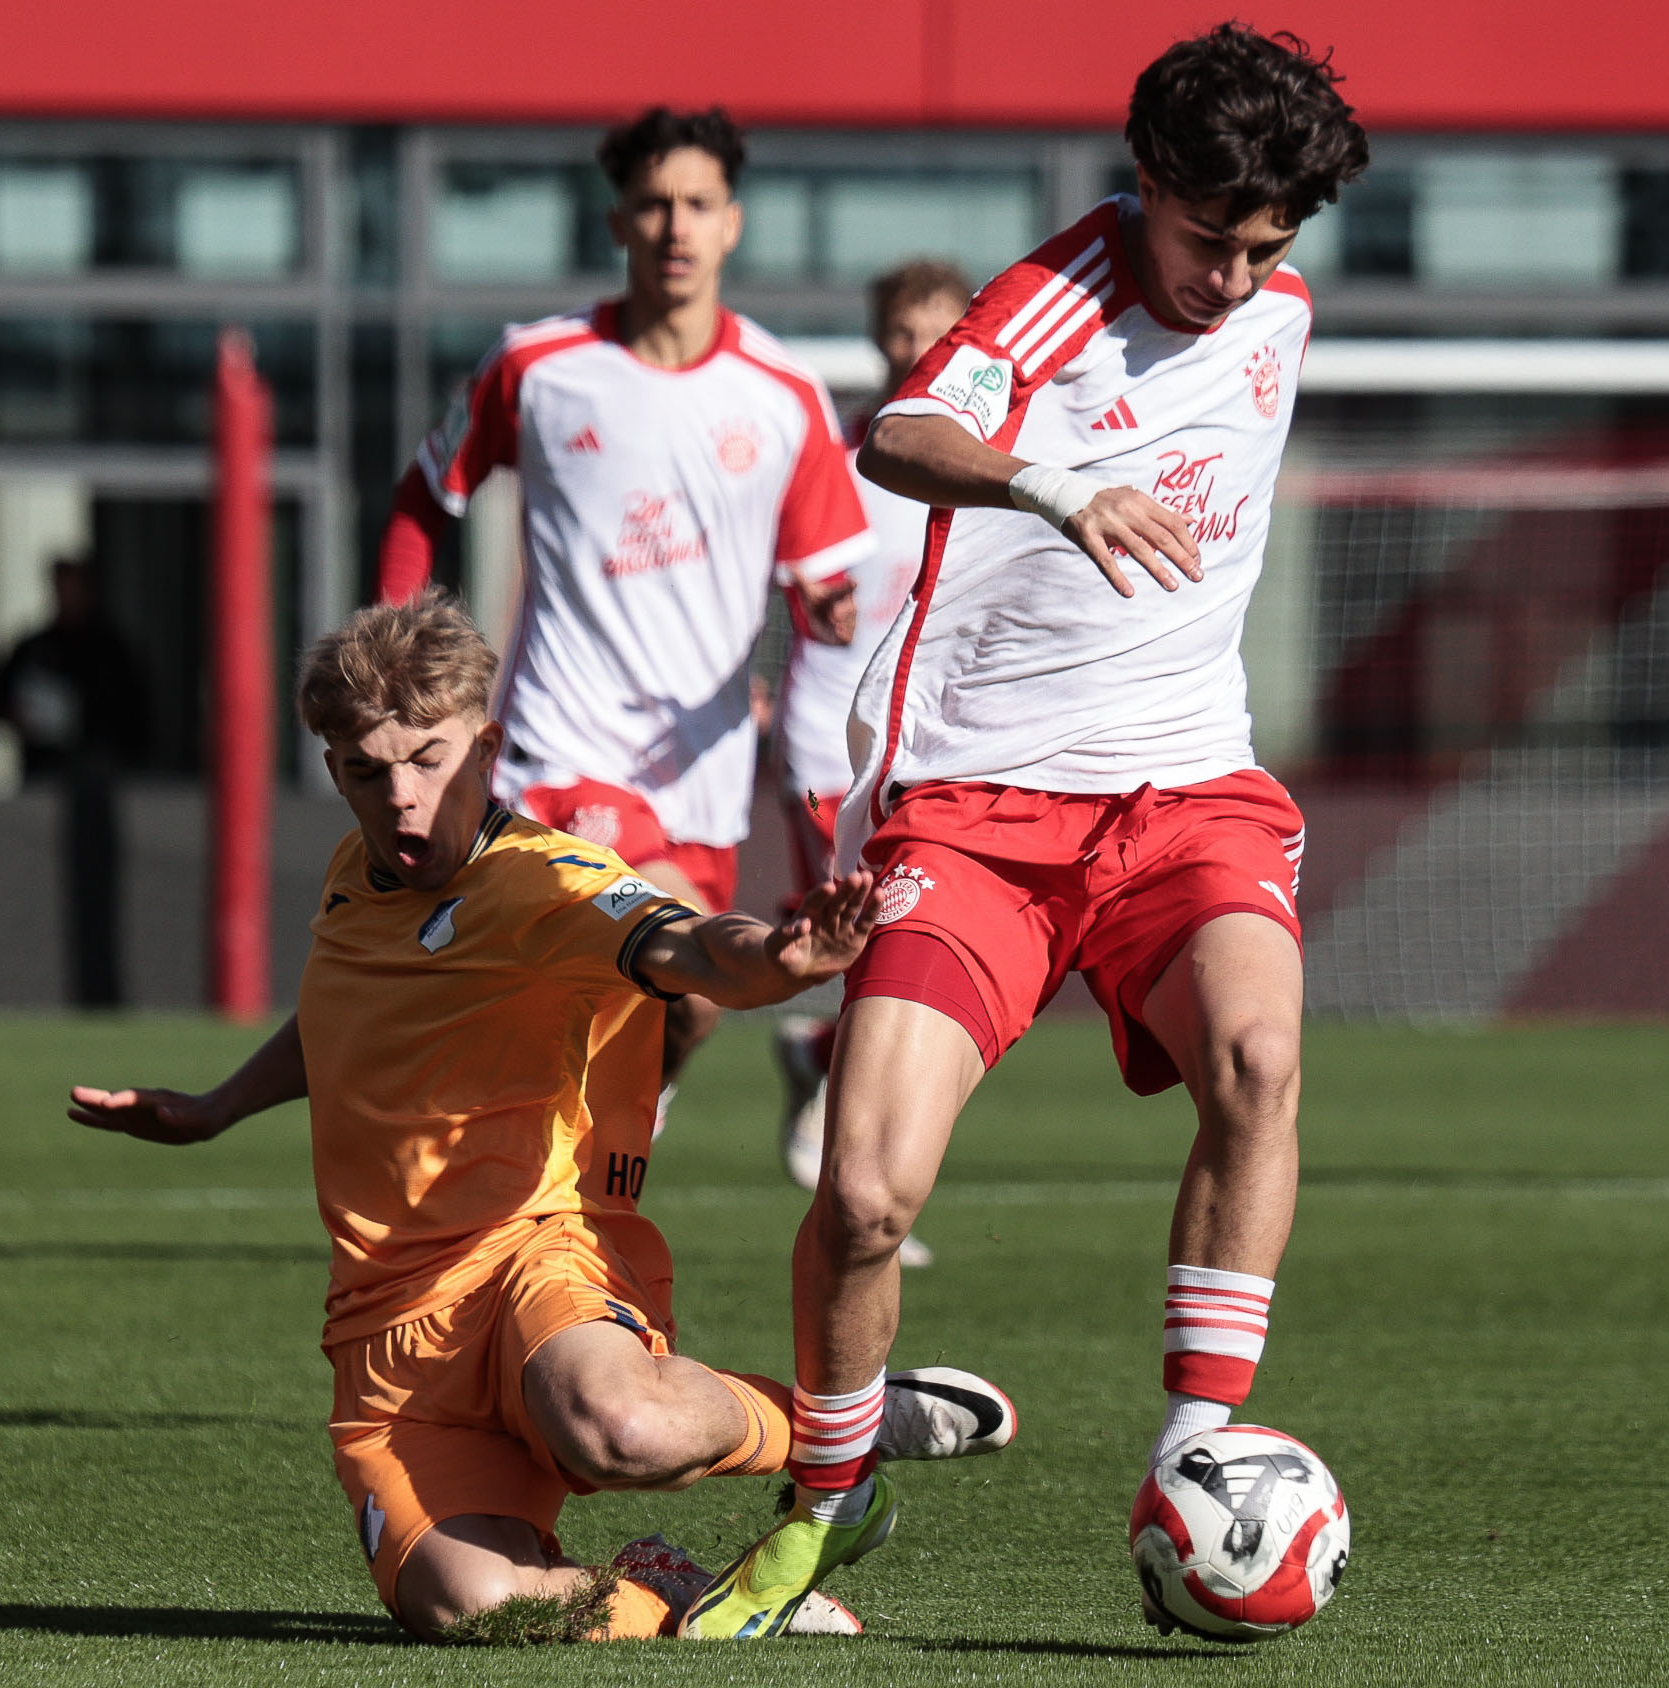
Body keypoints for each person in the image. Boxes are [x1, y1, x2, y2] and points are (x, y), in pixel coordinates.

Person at [683, 25, 1366, 1636]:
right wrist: (1058, 490)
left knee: (1261, 1066)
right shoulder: (1055, 296)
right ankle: (828, 1509)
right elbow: (899, 435)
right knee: (862, 1202)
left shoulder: (1281, 310)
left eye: (1269, 248)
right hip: (978, 812)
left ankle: (1195, 1450)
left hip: (1186, 789)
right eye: (1212, 239)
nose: (1237, 277)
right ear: (1146, 190)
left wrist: (1254, 278)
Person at [66, 598, 1011, 1642]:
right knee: (476, 1606)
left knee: (621, 1424)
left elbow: (689, 947)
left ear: (488, 743)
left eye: (428, 760)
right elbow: (345, 1020)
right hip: (388, 1342)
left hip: (535, 1259)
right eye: (369, 772)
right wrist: (214, 1108)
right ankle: (673, 1590)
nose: (403, 800)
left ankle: (837, 1428)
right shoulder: (356, 878)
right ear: (335, 772)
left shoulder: (540, 881)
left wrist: (781, 958)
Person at [376, 105, 870, 1129]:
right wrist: (392, 659)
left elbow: (825, 587)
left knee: (681, 1014)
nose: (675, 227)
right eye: (653, 204)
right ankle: (537, 1221)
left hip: (698, 774)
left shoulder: (785, 396)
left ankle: (584, 1167)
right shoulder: (539, 367)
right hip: (553, 749)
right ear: (617, 221)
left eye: (698, 204)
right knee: (594, 990)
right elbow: (426, 495)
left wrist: (825, 614)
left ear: (733, 223)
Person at [768, 261, 971, 1272]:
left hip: (930, 747)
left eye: (934, 332)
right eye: (898, 331)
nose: (913, 350)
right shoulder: (834, 460)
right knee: (882, 939)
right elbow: (768, 581)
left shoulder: (973, 467)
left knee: (906, 942)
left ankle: (816, 1063)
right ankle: (843, 1163)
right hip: (825, 741)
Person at [0, 556, 151, 1009]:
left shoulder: (111, 650)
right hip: (41, 788)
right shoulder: (34, 646)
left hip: (99, 792)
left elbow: (138, 721)